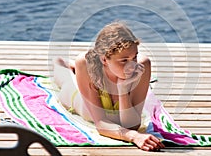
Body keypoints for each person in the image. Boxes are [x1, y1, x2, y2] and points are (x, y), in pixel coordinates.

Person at [53, 21, 165, 151]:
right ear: (104, 59)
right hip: (79, 102)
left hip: (109, 86)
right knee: (63, 78)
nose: (132, 65)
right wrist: (134, 137)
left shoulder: (142, 65)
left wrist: (123, 89)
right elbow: (101, 123)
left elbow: (131, 125)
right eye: (124, 60)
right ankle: (64, 64)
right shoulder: (85, 63)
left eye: (134, 57)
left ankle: (73, 68)